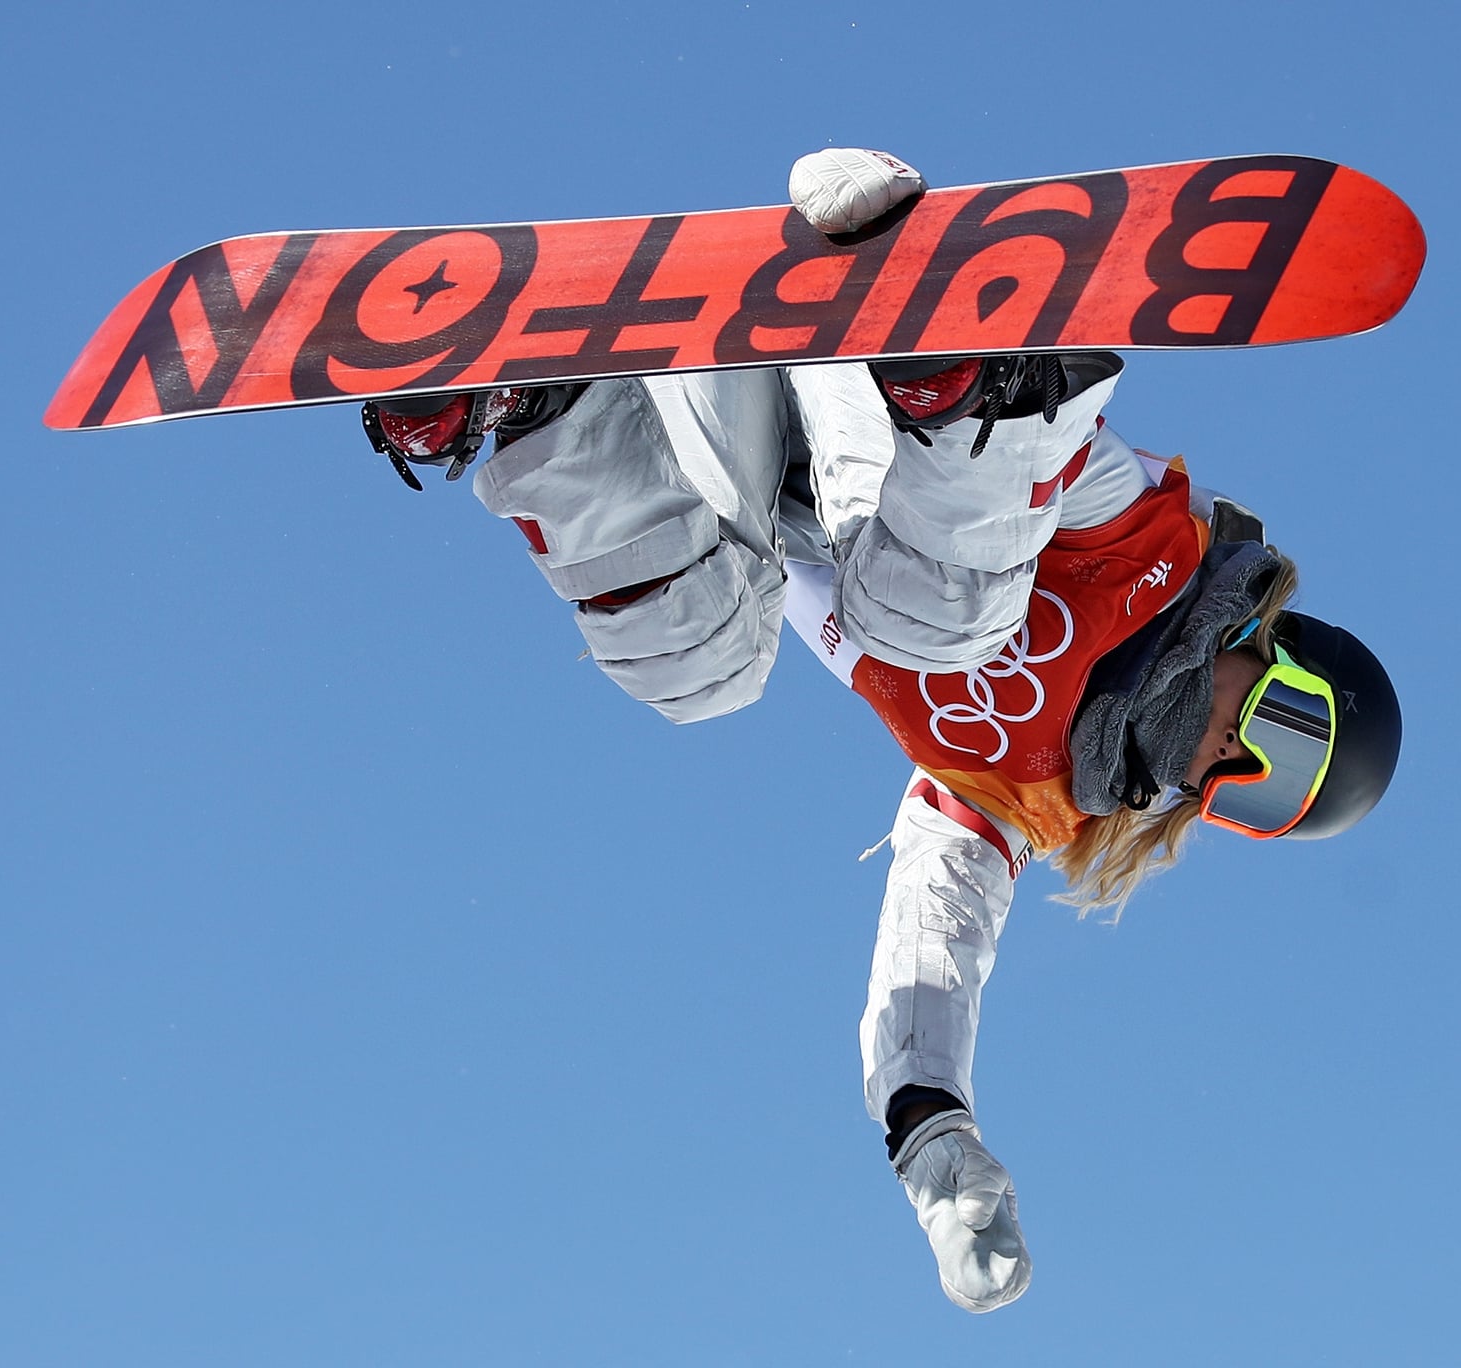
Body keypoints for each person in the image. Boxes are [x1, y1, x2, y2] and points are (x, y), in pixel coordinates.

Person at [360, 150, 1402, 1313]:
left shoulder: (1032, 793)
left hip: (738, 460)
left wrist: (931, 1132)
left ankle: (530, 410)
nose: (1234, 767)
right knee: (939, 622)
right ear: (1274, 645)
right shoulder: (1163, 555)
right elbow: (1070, 457)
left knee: (695, 674)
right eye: (1287, 732)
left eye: (1255, 803)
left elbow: (933, 940)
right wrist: (985, 350)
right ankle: (955, 371)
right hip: (868, 384)